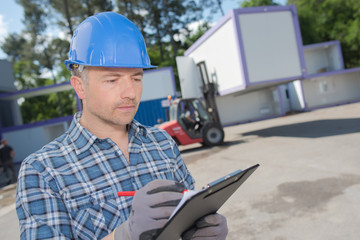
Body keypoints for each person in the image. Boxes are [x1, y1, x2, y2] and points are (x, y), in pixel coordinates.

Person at [16, 12, 228, 240]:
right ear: (79, 87)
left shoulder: (163, 144)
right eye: (112, 79)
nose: (130, 93)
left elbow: (188, 211)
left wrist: (199, 229)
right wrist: (123, 235)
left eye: (136, 78)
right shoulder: (42, 171)